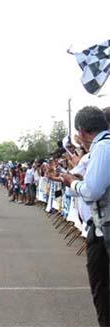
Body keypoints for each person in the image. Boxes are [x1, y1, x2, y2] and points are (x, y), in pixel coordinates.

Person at [60, 106, 110, 327]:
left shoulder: (103, 147)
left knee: (102, 289)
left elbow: (93, 190)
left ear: (81, 131)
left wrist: (73, 182)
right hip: (100, 226)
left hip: (104, 228)